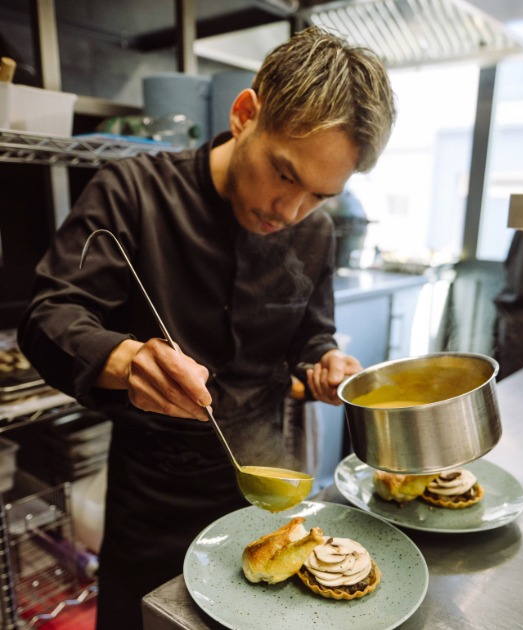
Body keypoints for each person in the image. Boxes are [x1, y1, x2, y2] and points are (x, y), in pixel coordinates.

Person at [17, 26, 395, 629]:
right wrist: (124, 358)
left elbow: (312, 335)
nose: (289, 212)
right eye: (285, 174)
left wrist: (325, 362)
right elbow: (48, 315)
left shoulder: (314, 231)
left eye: (319, 195)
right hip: (153, 498)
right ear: (246, 113)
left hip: (264, 497)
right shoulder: (132, 193)